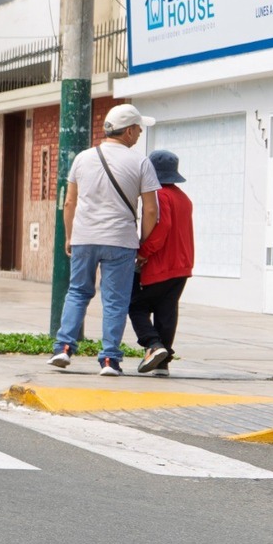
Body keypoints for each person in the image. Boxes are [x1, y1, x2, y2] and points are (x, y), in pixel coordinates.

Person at [52, 103, 160, 375]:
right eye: (138, 129)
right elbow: (150, 209)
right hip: (120, 241)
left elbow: (69, 203)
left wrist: (69, 236)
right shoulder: (141, 162)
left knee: (77, 291)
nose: (139, 134)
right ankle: (110, 360)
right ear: (129, 131)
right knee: (115, 300)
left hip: (84, 238)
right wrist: (143, 243)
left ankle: (63, 349)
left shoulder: (82, 158)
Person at [130, 148, 193, 375]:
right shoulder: (183, 197)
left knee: (136, 306)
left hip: (160, 264)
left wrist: (143, 252)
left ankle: (153, 345)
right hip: (182, 265)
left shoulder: (158, 195)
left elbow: (162, 228)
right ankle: (162, 365)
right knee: (167, 310)